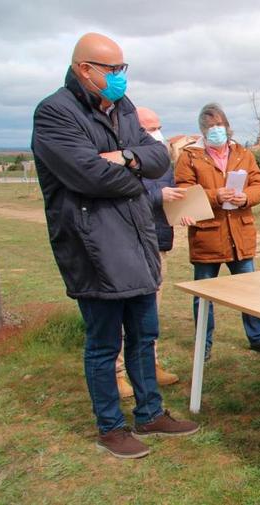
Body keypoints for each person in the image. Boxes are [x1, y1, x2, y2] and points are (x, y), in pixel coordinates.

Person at [31, 33, 199, 459]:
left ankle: (150, 413)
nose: (120, 77)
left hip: (137, 239)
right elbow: (88, 175)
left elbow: (159, 157)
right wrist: (134, 167)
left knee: (144, 336)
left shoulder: (123, 108)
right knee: (105, 344)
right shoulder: (54, 113)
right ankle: (111, 426)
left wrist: (121, 158)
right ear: (84, 69)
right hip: (93, 247)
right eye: (112, 69)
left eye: (123, 68)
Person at [175, 103, 260, 361]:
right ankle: (204, 343)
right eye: (211, 126)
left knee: (250, 292)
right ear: (202, 129)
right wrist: (214, 195)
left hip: (240, 236)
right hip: (207, 237)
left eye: (220, 125)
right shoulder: (189, 156)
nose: (216, 130)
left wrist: (245, 197)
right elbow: (183, 192)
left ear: (227, 126)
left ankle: (258, 338)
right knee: (204, 297)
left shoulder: (243, 153)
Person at [113, 107, 185, 398]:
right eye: (150, 127)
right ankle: (117, 374)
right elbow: (119, 194)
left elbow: (170, 192)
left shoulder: (162, 160)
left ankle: (149, 365)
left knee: (150, 312)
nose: (157, 133)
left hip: (157, 243)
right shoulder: (119, 159)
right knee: (121, 313)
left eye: (159, 126)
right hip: (127, 244)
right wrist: (158, 196)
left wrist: (182, 207)